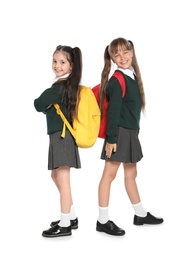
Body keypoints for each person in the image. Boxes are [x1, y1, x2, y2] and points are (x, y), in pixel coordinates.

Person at [96, 37, 164, 236]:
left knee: (131, 174)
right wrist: (111, 139)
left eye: (125, 52)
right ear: (113, 59)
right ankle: (102, 220)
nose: (122, 57)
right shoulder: (117, 80)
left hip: (131, 133)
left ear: (132, 52)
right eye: (116, 54)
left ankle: (140, 214)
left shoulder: (132, 76)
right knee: (109, 176)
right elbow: (113, 112)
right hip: (118, 134)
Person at [34, 45, 82, 238]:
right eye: (55, 61)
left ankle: (65, 225)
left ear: (71, 66)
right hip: (59, 136)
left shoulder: (59, 87)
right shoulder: (66, 86)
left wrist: (45, 105)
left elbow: (38, 104)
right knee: (56, 177)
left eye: (62, 62)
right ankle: (71, 216)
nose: (57, 65)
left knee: (63, 179)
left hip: (62, 136)